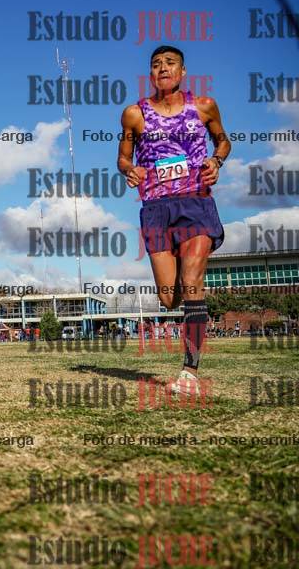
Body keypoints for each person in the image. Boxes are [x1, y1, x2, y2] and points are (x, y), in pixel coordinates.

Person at [117, 46, 231, 397]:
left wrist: (216, 161)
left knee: (192, 280)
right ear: (150, 74)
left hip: (195, 202)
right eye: (156, 65)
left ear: (182, 72)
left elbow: (223, 141)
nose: (162, 68)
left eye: (170, 63)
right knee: (169, 298)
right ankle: (180, 276)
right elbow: (123, 158)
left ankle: (189, 373)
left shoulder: (204, 106)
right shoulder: (134, 114)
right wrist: (130, 170)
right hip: (156, 208)